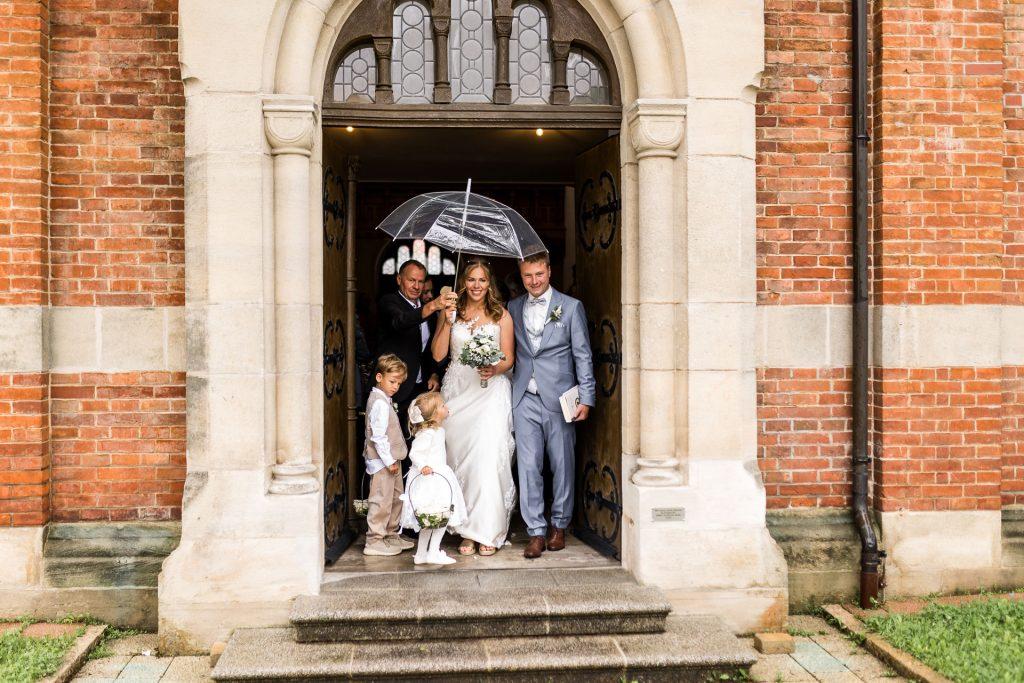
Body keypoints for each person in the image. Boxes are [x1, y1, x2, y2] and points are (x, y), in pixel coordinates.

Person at [509, 252, 596, 559]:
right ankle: (535, 531)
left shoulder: (571, 307)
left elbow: (582, 354)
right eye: (528, 276)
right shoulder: (513, 307)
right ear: (521, 275)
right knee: (528, 466)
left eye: (539, 274)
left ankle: (559, 525)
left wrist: (587, 396)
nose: (534, 281)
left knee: (561, 463)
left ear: (549, 271)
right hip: (524, 398)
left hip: (560, 399)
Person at [431, 258, 516, 556]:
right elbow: (439, 354)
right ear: (463, 282)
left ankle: (487, 530)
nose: (476, 286)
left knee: (486, 457)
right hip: (457, 391)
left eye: (482, 280)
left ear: (489, 283)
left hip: (490, 392)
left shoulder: (501, 315)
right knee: (460, 460)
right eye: (471, 280)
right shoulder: (451, 311)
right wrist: (447, 320)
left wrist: (494, 368)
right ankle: (466, 530)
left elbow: (509, 359)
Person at [377, 260, 455, 438]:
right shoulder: (389, 301)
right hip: (396, 386)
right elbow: (401, 321)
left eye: (420, 281)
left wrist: (434, 373)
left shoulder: (429, 311)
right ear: (399, 279)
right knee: (393, 443)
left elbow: (429, 348)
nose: (416, 286)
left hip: (422, 388)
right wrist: (433, 305)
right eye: (412, 280)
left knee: (421, 440)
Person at [399, 391, 468, 566]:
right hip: (432, 480)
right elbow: (414, 452)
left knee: (431, 519)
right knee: (440, 516)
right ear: (436, 413)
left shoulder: (436, 430)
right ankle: (433, 552)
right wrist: (423, 466)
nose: (447, 407)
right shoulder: (428, 433)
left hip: (437, 477)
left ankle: (422, 554)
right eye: (443, 405)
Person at [362, 354, 416, 557]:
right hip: (383, 462)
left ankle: (391, 534)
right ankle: (374, 539)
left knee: (395, 498)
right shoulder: (378, 403)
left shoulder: (385, 400)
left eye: (399, 383)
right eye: (392, 381)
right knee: (381, 500)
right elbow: (378, 436)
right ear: (379, 377)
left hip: (392, 461)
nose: (395, 386)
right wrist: (389, 460)